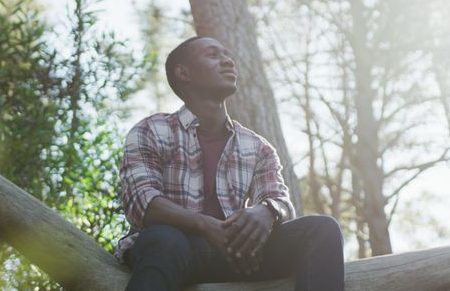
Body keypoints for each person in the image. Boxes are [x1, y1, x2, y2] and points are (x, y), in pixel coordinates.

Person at [116, 36, 344, 291]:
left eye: (227, 55)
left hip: (239, 255)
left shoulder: (257, 147)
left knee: (321, 230)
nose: (227, 61)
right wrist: (206, 225)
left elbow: (280, 201)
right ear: (183, 73)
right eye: (213, 55)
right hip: (173, 252)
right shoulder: (151, 130)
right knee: (166, 239)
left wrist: (267, 210)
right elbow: (143, 204)